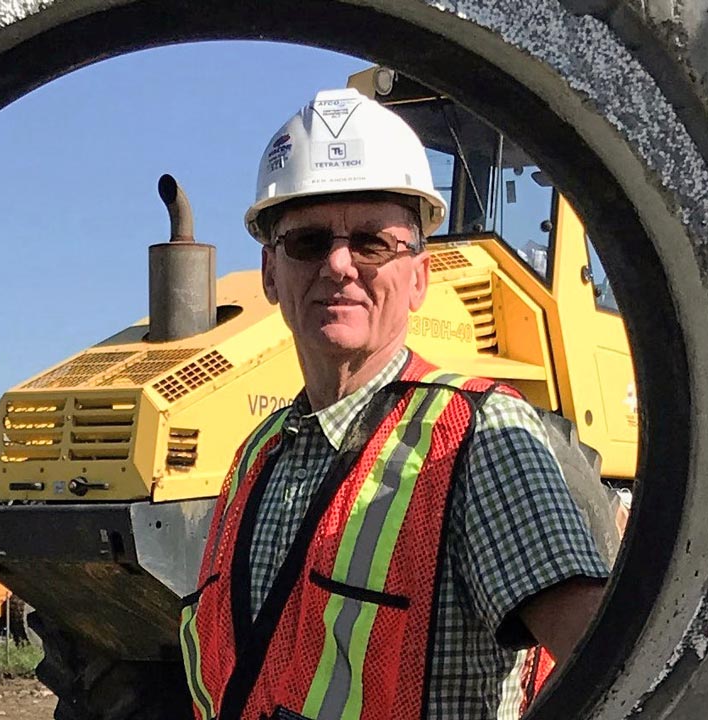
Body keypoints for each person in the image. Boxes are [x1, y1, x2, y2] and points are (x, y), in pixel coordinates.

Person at [178, 88, 610, 720]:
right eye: (306, 242)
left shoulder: (481, 438)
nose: (339, 265)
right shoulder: (258, 455)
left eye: (373, 243)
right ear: (271, 272)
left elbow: (608, 664)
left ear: (419, 276)